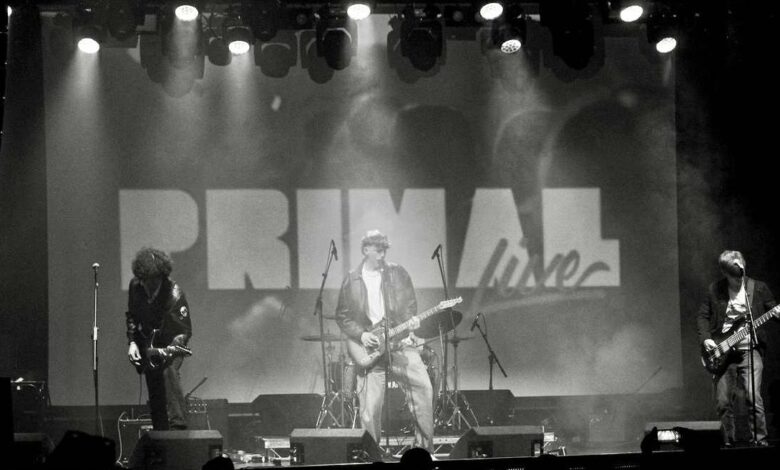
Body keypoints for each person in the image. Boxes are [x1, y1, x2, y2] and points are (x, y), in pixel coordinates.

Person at [336, 230, 434, 452]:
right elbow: (342, 316)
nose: (382, 254)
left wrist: (410, 321)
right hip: (370, 348)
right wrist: (362, 335)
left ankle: (424, 452)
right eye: (378, 250)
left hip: (399, 344)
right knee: (370, 409)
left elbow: (410, 305)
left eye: (384, 250)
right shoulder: (352, 279)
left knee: (423, 389)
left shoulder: (397, 273)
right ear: (366, 250)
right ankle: (372, 455)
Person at [696, 250, 776, 447]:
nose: (738, 280)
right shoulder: (715, 289)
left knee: (753, 397)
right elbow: (702, 316)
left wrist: (777, 312)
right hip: (722, 351)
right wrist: (706, 340)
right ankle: (727, 443)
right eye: (733, 277)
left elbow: (772, 308)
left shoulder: (758, 288)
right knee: (723, 402)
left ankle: (760, 440)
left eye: (740, 275)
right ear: (725, 273)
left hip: (750, 349)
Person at [125, 247, 192, 430]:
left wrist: (167, 350)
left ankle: (178, 428)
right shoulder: (135, 286)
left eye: (152, 281)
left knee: (168, 375)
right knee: (154, 389)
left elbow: (184, 331)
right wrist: (132, 342)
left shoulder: (174, 294)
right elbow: (132, 316)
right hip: (148, 345)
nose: (147, 286)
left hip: (170, 346)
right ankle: (160, 432)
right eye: (144, 281)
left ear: (160, 278)